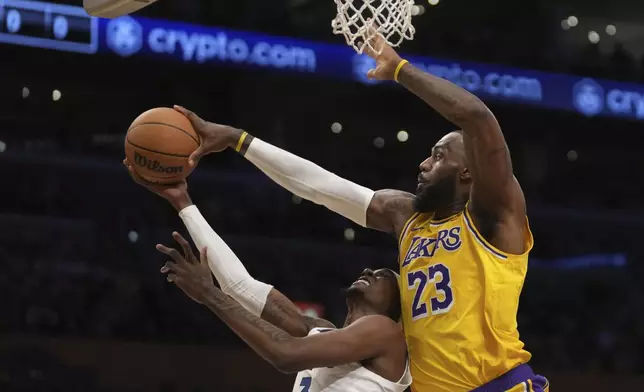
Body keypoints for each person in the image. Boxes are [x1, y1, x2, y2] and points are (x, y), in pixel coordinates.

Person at [169, 33, 549, 392]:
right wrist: (239, 140)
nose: (423, 164)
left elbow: (478, 120)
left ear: (469, 171)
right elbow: (320, 186)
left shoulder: (494, 218)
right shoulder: (408, 219)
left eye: (438, 155)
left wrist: (401, 69)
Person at [123, 162, 412, 392]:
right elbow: (240, 286)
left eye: (383, 275)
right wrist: (184, 203)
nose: (368, 272)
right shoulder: (320, 332)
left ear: (397, 307)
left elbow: (285, 354)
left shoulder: (385, 332)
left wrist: (208, 294)